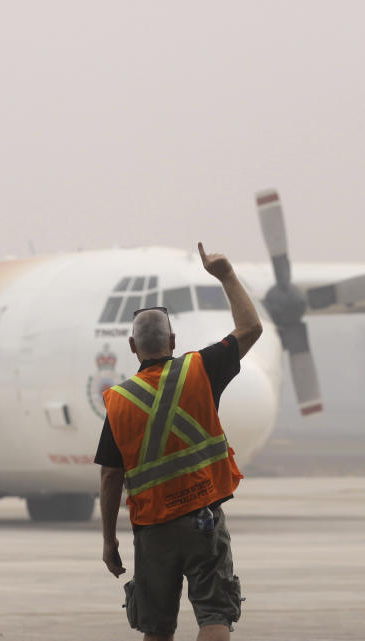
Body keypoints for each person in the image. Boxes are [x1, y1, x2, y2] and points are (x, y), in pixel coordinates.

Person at [94, 242, 262, 641]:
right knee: (216, 616)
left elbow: (109, 479)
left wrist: (108, 541)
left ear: (133, 347)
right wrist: (225, 275)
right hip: (203, 519)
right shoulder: (200, 370)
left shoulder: (118, 402)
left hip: (152, 530)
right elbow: (250, 328)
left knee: (155, 628)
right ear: (172, 340)